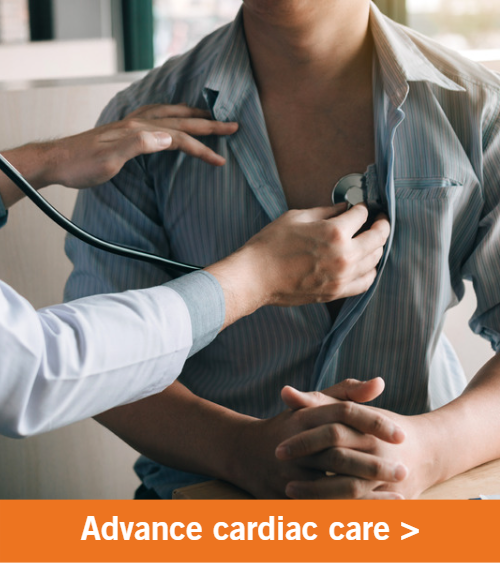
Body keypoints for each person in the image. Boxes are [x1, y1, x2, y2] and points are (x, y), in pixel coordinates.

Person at [64, 0, 500, 500]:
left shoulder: (482, 113)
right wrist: (239, 449)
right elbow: (98, 363)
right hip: (208, 499)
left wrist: (429, 450)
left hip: (424, 501)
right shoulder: (135, 126)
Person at [0, 102, 392, 439]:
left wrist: (42, 161)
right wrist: (256, 277)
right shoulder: (148, 105)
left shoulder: (451, 98)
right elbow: (32, 372)